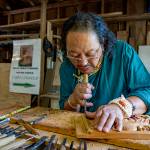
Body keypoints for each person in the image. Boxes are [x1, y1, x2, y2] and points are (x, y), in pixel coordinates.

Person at [59, 12, 150, 132]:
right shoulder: (66, 66)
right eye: (74, 55)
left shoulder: (122, 53)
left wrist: (121, 107)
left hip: (122, 131)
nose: (83, 62)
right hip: (85, 131)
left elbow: (147, 91)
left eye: (90, 54)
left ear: (103, 44)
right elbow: (64, 110)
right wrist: (72, 101)